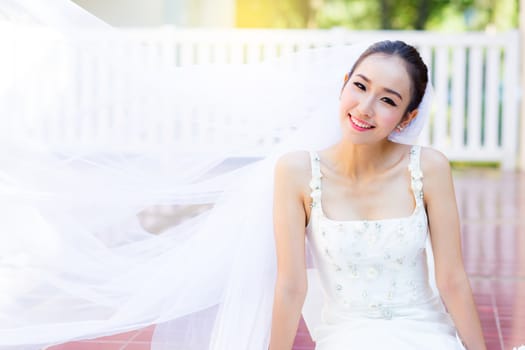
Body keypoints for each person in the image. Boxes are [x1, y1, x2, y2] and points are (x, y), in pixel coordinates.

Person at [269, 41, 487, 350]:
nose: (365, 107)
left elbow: (452, 280)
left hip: (425, 334)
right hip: (347, 337)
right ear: (344, 85)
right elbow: (291, 287)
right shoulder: (296, 171)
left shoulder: (429, 168)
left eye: (387, 100)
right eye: (360, 86)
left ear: (407, 118)